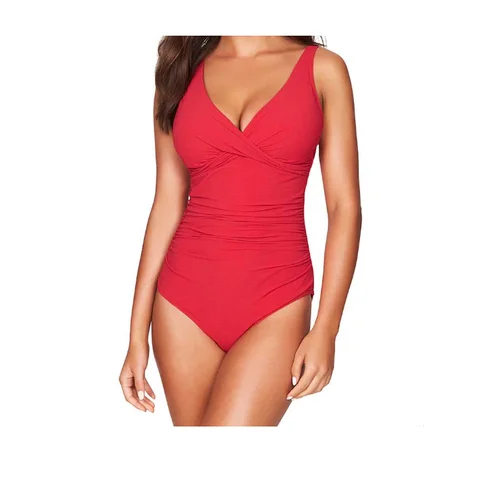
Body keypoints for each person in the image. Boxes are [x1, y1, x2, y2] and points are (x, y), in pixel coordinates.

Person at [119, 35, 361, 426]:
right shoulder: (179, 71)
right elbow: (166, 203)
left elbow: (344, 207)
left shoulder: (323, 69)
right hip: (182, 304)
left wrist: (327, 328)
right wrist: (135, 336)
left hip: (277, 301)